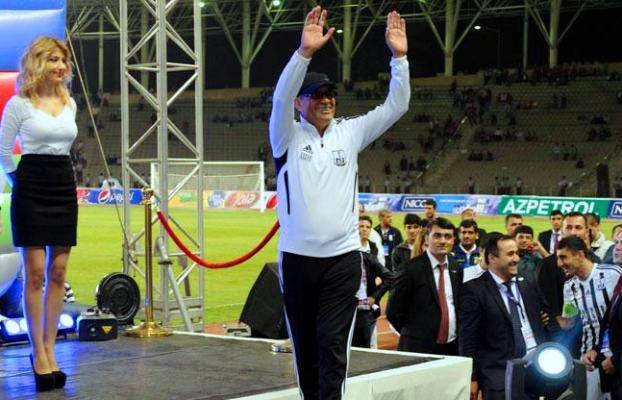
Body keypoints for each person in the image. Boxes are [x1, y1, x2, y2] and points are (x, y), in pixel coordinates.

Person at [269, 7, 410, 399]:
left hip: (342, 260)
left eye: (330, 94)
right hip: (297, 260)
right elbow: (279, 97)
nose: (326, 100)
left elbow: (396, 107)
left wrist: (399, 59)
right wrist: (304, 53)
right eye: (316, 95)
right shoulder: (285, 135)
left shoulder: (350, 133)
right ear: (299, 103)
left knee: (333, 348)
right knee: (306, 349)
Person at [0, 36, 77, 391]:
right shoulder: (19, 104)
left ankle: (50, 348)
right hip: (31, 187)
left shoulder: (69, 102)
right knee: (34, 275)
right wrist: (19, 182)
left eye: (62, 60)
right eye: (52, 60)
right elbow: (4, 152)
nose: (60, 66)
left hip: (63, 184)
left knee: (58, 272)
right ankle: (38, 354)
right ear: (36, 63)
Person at [460, 235, 559, 400]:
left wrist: (560, 349)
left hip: (538, 371)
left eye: (517, 253)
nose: (516, 259)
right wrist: (471, 377)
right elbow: (468, 338)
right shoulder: (474, 290)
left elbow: (548, 317)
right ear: (492, 258)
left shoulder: (528, 281)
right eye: (510, 254)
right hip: (499, 376)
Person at [557, 236, 622, 400]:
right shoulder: (569, 287)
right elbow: (569, 321)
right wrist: (549, 317)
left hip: (613, 355)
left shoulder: (612, 274)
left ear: (580, 255)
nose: (559, 263)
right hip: (589, 358)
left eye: (563, 257)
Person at [387, 218, 463, 355]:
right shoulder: (409, 269)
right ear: (427, 239)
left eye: (448, 236)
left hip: (451, 347)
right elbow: (393, 310)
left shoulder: (456, 268)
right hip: (418, 348)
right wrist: (413, 334)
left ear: (453, 240)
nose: (443, 241)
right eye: (437, 235)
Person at [353, 216, 393, 348]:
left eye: (367, 227)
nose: (364, 229)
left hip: (367, 304)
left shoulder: (373, 249)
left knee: (370, 341)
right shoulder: (349, 249)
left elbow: (383, 272)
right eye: (361, 226)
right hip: (350, 304)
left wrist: (375, 296)